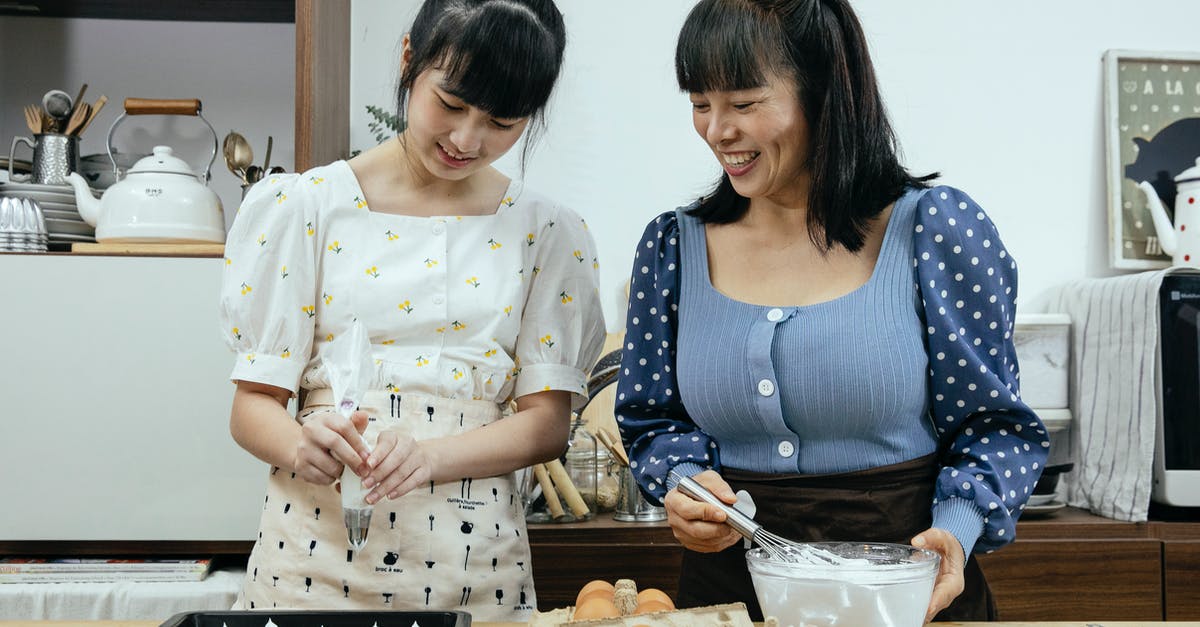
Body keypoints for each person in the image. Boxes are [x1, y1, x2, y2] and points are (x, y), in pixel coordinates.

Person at [614, 0, 1047, 622]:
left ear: (824, 93)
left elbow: (994, 426)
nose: (716, 130)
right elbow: (652, 421)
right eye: (699, 103)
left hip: (907, 597)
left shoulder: (936, 230)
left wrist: (957, 529)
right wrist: (683, 484)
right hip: (730, 598)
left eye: (743, 103)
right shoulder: (672, 249)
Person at [218, 0, 605, 619]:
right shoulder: (308, 207)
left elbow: (546, 425)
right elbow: (252, 407)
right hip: (309, 557)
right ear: (409, 60)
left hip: (474, 565)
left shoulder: (546, 232)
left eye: (503, 121)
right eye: (451, 104)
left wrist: (428, 457)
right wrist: (298, 445)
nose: (467, 139)